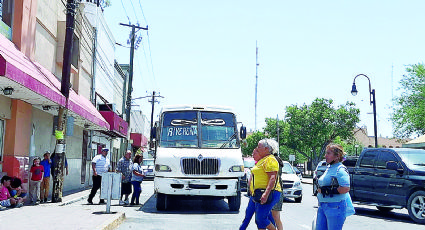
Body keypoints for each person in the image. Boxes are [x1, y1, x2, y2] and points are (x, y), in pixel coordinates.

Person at [315, 144, 355, 230]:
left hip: (335, 206)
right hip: (323, 205)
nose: (325, 156)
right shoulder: (329, 167)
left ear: (337, 156)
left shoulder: (340, 169)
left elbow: (345, 188)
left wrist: (327, 191)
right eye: (326, 153)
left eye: (328, 153)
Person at [251, 138, 282, 230]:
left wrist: (266, 193)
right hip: (260, 193)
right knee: (260, 220)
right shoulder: (263, 159)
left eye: (259, 147)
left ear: (266, 149)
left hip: (269, 192)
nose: (257, 148)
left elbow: (272, 178)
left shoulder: (270, 159)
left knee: (261, 218)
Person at [240, 149, 275, 230]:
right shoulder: (257, 165)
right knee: (249, 217)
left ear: (260, 154)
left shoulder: (265, 163)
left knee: (264, 217)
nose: (252, 154)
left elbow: (270, 178)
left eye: (254, 153)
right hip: (254, 195)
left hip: (261, 195)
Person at [271, 153, 285, 230]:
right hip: (278, 191)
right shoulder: (278, 160)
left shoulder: (273, 160)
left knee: (273, 217)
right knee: (276, 217)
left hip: (274, 191)